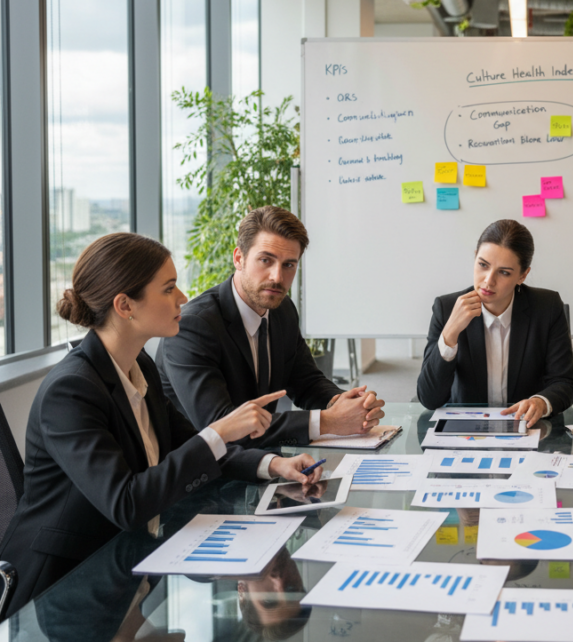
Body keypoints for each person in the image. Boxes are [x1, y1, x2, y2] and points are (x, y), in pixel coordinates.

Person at [0, 233, 321, 615]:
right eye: (168, 288)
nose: (183, 298)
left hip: (131, 565)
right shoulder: (70, 392)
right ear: (125, 306)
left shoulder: (139, 364)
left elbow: (192, 447)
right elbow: (127, 503)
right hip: (63, 588)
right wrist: (220, 431)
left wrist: (271, 465)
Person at [158, 206, 385, 448]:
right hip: (205, 473)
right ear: (239, 258)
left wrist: (344, 402)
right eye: (265, 260)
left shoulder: (282, 309)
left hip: (265, 460)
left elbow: (306, 381)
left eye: (289, 265)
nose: (277, 277)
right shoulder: (193, 327)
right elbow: (220, 425)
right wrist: (327, 421)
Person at [417, 219, 573, 426]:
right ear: (475, 257)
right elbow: (429, 398)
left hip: (526, 427)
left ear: (522, 275)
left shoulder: (547, 307)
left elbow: (564, 382)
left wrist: (540, 402)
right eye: (483, 265)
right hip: (468, 432)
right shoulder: (446, 308)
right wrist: (450, 334)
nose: (488, 281)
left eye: (504, 272)